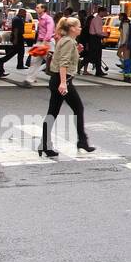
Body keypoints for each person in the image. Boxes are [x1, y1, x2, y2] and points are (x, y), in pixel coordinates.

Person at [35, 16, 95, 157]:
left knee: (52, 113)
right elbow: (63, 63)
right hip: (63, 80)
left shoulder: (67, 41)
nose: (80, 28)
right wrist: (63, 83)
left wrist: (77, 51)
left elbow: (64, 58)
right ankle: (82, 141)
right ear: (72, 29)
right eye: (78, 26)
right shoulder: (68, 41)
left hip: (56, 80)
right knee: (78, 108)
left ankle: (45, 144)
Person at [26, 5, 56, 84]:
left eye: (38, 8)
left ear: (43, 9)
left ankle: (58, 79)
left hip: (47, 42)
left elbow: (50, 31)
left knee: (52, 62)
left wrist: (44, 42)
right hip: (40, 42)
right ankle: (29, 80)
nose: (36, 9)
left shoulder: (48, 19)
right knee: (34, 60)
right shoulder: (40, 18)